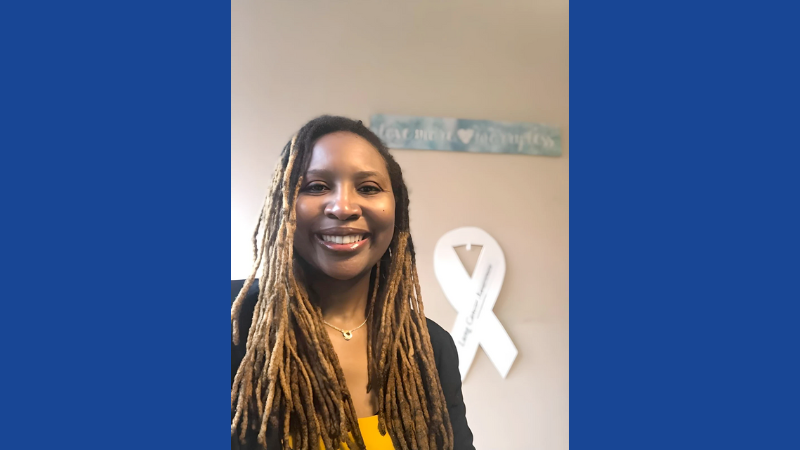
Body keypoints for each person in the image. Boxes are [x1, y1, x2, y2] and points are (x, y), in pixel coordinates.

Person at [231, 116, 475, 450]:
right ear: (283, 204)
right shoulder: (230, 319)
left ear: (397, 208)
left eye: (368, 188)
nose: (343, 207)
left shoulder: (431, 347)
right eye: (316, 186)